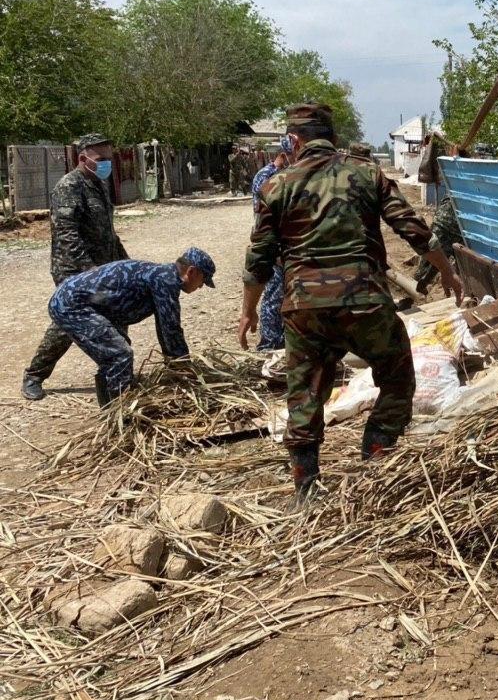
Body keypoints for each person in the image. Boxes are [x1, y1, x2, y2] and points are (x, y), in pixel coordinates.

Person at [239, 103, 463, 508]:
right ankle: (375, 462)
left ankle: (306, 488)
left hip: (304, 308)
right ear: (333, 138)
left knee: (304, 395)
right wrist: (446, 272)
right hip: (365, 302)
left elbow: (258, 260)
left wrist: (248, 310)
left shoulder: (277, 185)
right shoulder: (366, 173)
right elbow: (412, 228)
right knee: (396, 379)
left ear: (293, 140)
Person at [21, 133, 129, 401]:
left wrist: (124, 264)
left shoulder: (99, 184)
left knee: (117, 314)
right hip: (73, 269)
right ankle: (34, 375)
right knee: (68, 323)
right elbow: (68, 235)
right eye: (101, 159)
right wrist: (90, 274)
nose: (107, 164)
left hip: (102, 267)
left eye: (109, 159)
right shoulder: (68, 187)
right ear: (83, 159)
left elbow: (108, 232)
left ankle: (118, 374)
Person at [48, 249, 216, 406]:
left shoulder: (164, 275)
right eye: (203, 280)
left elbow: (164, 328)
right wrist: (186, 369)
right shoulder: (166, 281)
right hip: (71, 305)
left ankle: (110, 398)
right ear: (191, 272)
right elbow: (171, 330)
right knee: (119, 355)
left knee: (116, 349)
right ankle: (117, 411)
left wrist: (177, 367)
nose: (201, 286)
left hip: (78, 301)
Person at [249, 136, 294, 351]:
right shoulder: (266, 176)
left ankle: (286, 343)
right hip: (272, 246)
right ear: (283, 155)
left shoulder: (290, 174)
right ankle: (269, 345)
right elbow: (262, 216)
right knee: (273, 299)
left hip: (287, 248)